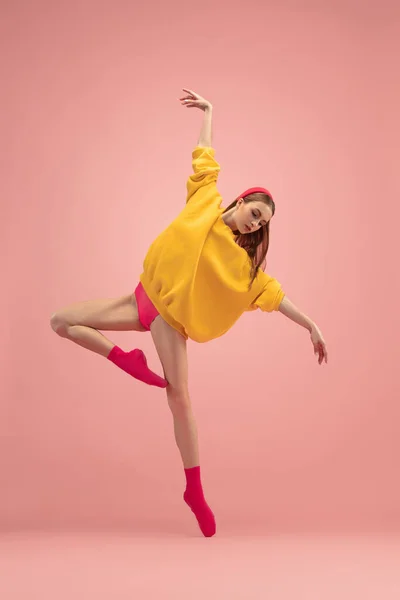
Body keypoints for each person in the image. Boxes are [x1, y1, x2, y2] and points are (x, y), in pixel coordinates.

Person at [50, 89, 328, 538]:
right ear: (239, 203)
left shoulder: (246, 267)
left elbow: (275, 296)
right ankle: (125, 359)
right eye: (254, 213)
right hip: (142, 296)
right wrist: (210, 112)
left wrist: (311, 325)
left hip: (169, 321)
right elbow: (206, 157)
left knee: (179, 399)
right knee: (61, 321)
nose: (256, 224)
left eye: (262, 224)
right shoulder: (204, 200)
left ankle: (194, 490)